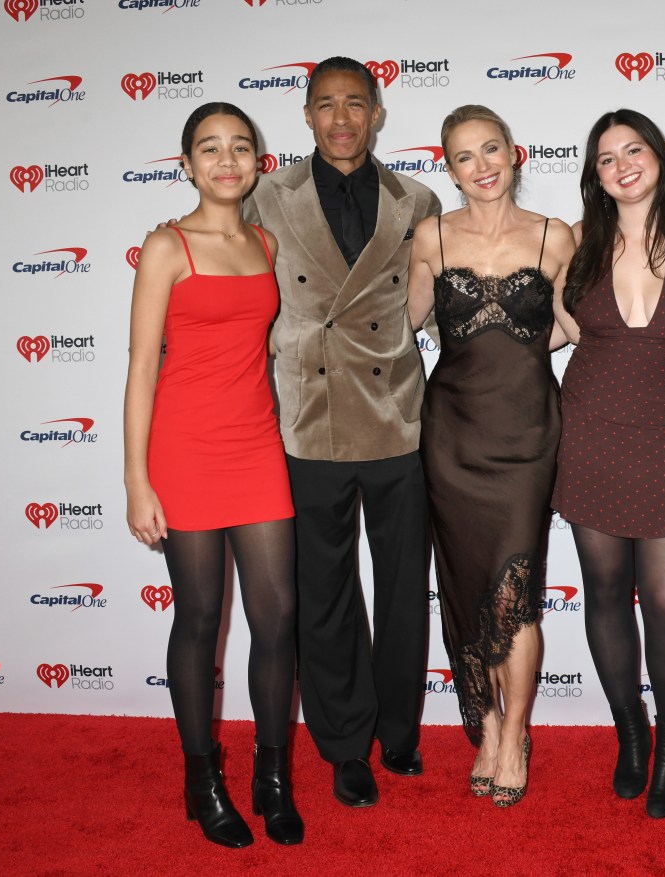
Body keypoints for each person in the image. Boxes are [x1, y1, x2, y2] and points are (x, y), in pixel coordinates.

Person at [242, 56, 440, 809]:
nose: (342, 118)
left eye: (356, 103)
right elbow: (228, 272)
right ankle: (343, 743)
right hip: (308, 424)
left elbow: (425, 296)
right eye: (326, 104)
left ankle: (399, 729)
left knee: (400, 591)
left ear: (378, 112)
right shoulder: (266, 194)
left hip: (398, 420)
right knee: (323, 593)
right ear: (305, 115)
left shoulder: (415, 197)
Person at [124, 102, 302, 848]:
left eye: (240, 147)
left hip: (256, 445)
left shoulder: (262, 240)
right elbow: (141, 368)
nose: (226, 160)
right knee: (199, 618)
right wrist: (137, 479)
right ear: (187, 163)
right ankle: (203, 779)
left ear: (258, 160)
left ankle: (273, 775)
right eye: (209, 148)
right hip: (185, 449)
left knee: (277, 617)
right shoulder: (167, 246)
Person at [551, 109, 665, 819]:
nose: (622, 164)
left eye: (634, 150)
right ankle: (631, 730)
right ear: (593, 176)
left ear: (660, 155)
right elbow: (563, 328)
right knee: (603, 592)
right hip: (591, 430)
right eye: (605, 158)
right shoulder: (577, 243)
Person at [407, 105, 575, 808]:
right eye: (464, 157)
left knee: (516, 591)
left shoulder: (554, 234)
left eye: (491, 150)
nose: (481, 167)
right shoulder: (432, 236)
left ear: (516, 153)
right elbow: (400, 323)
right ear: (448, 169)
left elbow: (573, 324)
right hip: (452, 434)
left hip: (528, 433)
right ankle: (487, 722)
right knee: (466, 586)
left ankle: (516, 735)